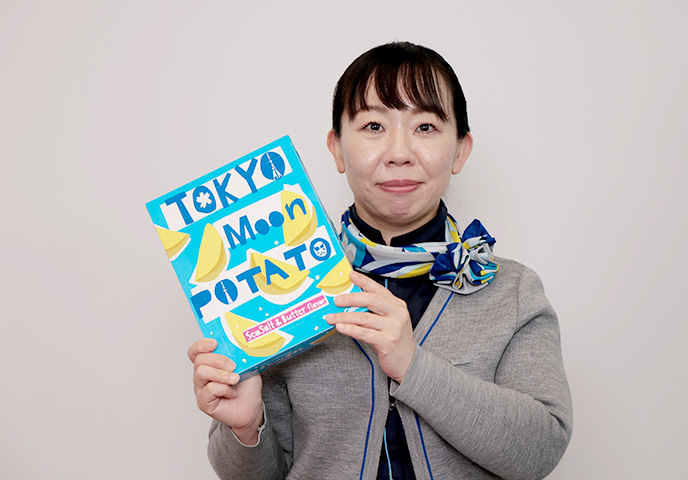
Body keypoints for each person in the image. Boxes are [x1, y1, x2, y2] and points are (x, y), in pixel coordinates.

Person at [188, 41, 572, 480]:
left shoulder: (514, 290)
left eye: (425, 126)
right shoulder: (278, 288)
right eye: (373, 125)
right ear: (337, 148)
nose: (399, 152)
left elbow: (540, 451)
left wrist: (413, 366)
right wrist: (245, 428)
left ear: (461, 150)